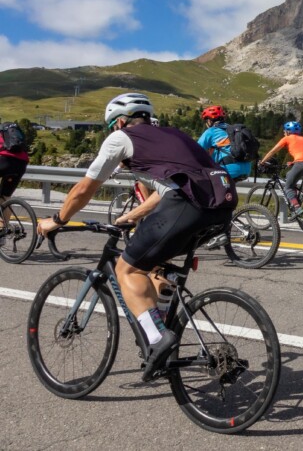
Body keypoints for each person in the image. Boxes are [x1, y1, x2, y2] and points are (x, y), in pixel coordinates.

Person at [36, 92, 236, 381]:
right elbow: (169, 187)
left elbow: (84, 189)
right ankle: (162, 320)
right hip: (221, 207)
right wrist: (133, 215)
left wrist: (57, 220)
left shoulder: (121, 138)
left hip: (186, 206)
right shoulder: (173, 135)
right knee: (155, 265)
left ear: (119, 122)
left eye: (111, 127)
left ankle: (158, 339)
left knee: (127, 269)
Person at [258, 121, 303, 214]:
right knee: (289, 174)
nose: (284, 132)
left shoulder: (287, 138)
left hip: (301, 163)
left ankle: (297, 208)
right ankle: (296, 199)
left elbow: (273, 151)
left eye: (285, 131)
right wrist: (294, 162)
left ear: (289, 131)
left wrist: (262, 162)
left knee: (287, 188)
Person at [197, 105, 253, 181]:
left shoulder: (211, 131)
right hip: (247, 168)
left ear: (209, 121)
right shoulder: (233, 130)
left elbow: (195, 149)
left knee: (205, 182)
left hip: (229, 169)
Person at [0, 121, 30, 227]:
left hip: (5, 161)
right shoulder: (12, 133)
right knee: (5, 197)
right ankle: (4, 230)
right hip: (21, 164)